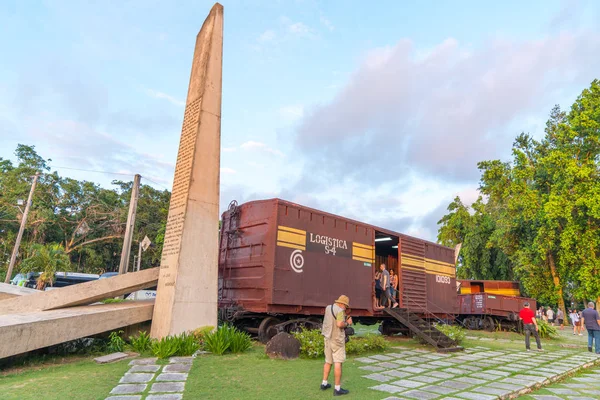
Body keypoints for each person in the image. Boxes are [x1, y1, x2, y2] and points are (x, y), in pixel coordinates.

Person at [321, 295, 353, 396]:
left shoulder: (328, 308)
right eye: (345, 306)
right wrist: (347, 323)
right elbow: (339, 324)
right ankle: (337, 389)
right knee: (338, 362)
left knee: (328, 361)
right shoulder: (339, 311)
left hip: (327, 337)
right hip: (337, 340)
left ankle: (324, 383)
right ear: (342, 304)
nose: (345, 308)